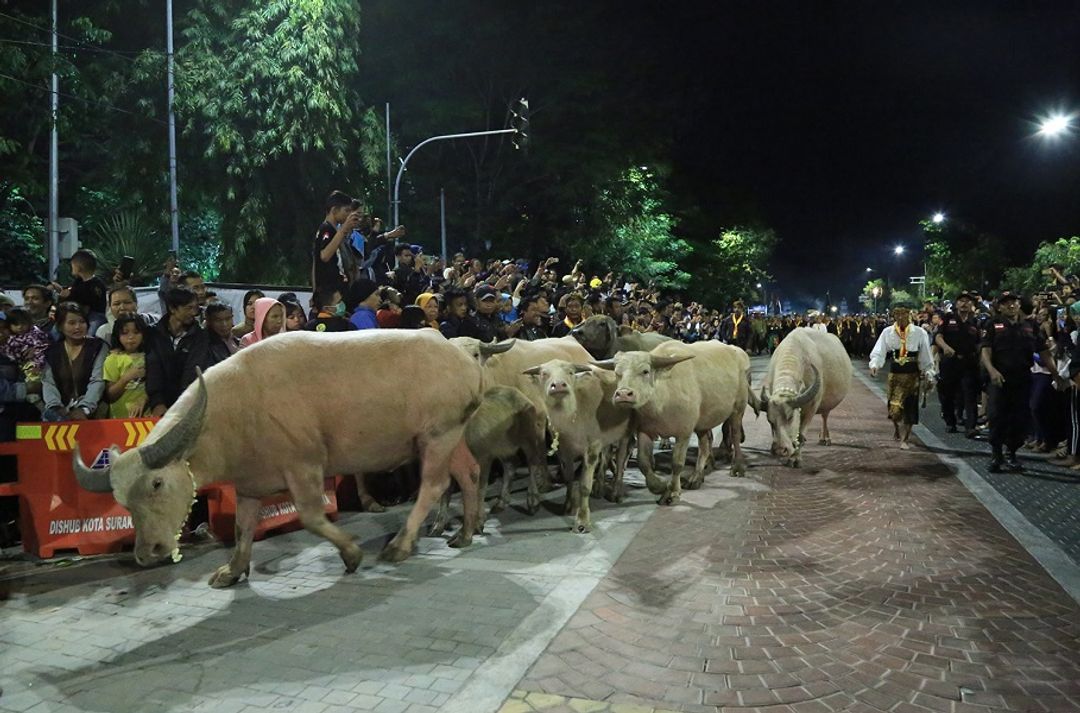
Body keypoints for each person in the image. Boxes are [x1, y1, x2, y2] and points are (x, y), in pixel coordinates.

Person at [981, 291, 1060, 473]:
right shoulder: (993, 324)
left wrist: (1056, 374)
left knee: (1019, 418)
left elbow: (1044, 352)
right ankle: (996, 454)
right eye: (1006, 303)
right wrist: (992, 371)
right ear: (999, 307)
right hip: (999, 379)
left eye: (1014, 302)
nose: (1011, 305)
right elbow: (985, 350)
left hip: (1023, 378)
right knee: (996, 416)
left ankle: (1012, 453)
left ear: (1018, 304)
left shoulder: (1030, 326)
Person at [869, 305, 935, 449]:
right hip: (895, 375)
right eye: (897, 314)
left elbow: (925, 355)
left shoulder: (919, 333)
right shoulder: (888, 332)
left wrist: (928, 371)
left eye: (903, 313)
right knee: (894, 408)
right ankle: (897, 428)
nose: (900, 317)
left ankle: (905, 438)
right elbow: (879, 351)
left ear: (909, 314)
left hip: (912, 375)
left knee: (910, 407)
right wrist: (875, 365)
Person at [41, 302, 108, 421]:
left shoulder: (98, 346)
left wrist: (85, 407)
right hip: (60, 413)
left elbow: (98, 380)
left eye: (82, 322)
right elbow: (48, 383)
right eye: (71, 323)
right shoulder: (51, 351)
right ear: (60, 326)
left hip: (93, 410)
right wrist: (55, 407)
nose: (78, 327)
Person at [146, 286, 202, 416]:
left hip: (187, 404)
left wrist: (183, 404)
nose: (194, 313)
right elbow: (153, 367)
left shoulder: (200, 336)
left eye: (195, 308)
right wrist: (157, 402)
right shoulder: (154, 333)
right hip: (158, 406)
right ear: (172, 308)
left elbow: (192, 371)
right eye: (188, 308)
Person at [934, 291, 982, 438]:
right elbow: (938, 336)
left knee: (970, 395)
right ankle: (950, 422)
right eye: (961, 301)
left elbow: (980, 343)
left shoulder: (975, 322)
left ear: (972, 305)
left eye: (968, 301)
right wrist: (945, 347)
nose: (964, 303)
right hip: (950, 362)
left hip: (969, 363)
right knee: (947, 394)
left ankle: (971, 427)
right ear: (956, 304)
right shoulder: (948, 318)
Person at [181, 301, 240, 390]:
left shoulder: (237, 340)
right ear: (208, 321)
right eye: (218, 320)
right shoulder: (202, 344)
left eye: (228, 319)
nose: (224, 324)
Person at [313, 190, 363, 294]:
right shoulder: (327, 229)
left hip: (341, 286)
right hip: (330, 289)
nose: (349, 214)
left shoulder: (336, 230)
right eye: (346, 211)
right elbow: (324, 256)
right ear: (334, 210)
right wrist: (343, 230)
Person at [103, 314, 151, 418]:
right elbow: (110, 395)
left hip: (147, 416)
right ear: (117, 336)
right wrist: (126, 378)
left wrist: (145, 399)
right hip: (120, 418)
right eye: (125, 333)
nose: (131, 337)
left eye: (136, 332)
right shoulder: (112, 359)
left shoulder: (151, 356)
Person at [51, 249, 108, 335]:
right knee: (56, 329)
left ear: (78, 267)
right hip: (78, 313)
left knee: (92, 330)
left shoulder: (97, 285)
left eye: (72, 265)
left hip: (94, 315)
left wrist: (69, 295)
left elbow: (88, 303)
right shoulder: (78, 282)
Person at [0, 307, 49, 400]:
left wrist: (37, 351)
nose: (1, 333)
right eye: (16, 324)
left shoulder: (29, 339)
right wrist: (27, 388)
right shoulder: (9, 349)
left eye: (3, 328)